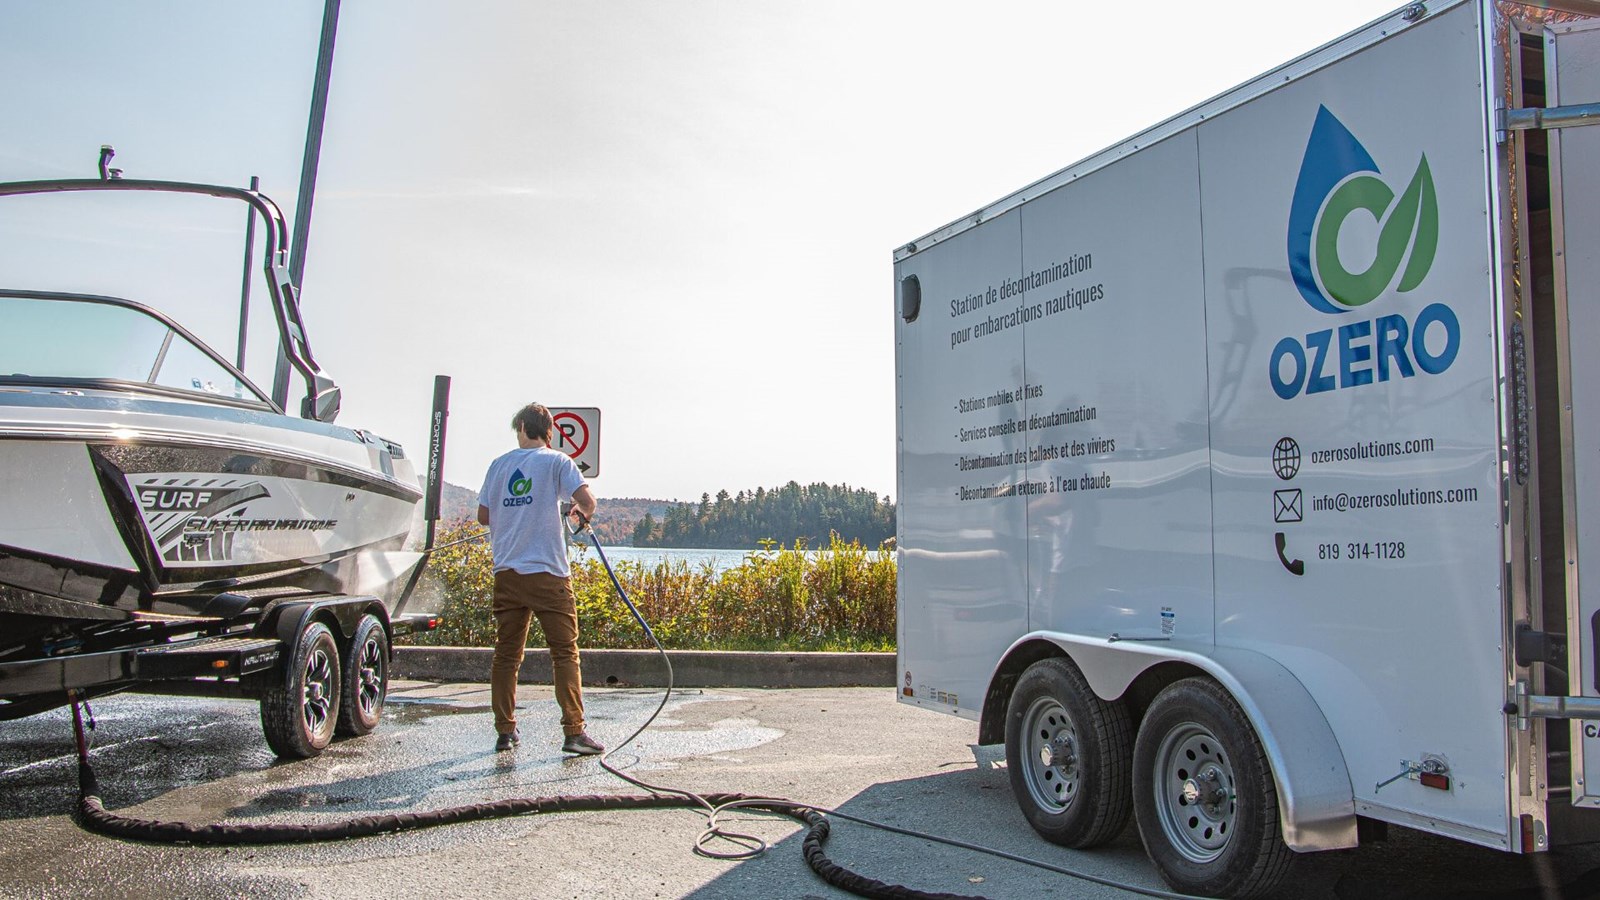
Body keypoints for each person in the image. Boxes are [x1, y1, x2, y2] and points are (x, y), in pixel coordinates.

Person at [477, 403, 603, 755]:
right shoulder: (557, 461)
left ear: (520, 428)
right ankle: (574, 732)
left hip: (507, 573)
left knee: (506, 656)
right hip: (548, 573)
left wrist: (513, 509)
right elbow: (587, 501)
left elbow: (483, 516)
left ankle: (505, 732)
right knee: (564, 653)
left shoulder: (498, 465)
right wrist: (578, 512)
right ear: (550, 431)